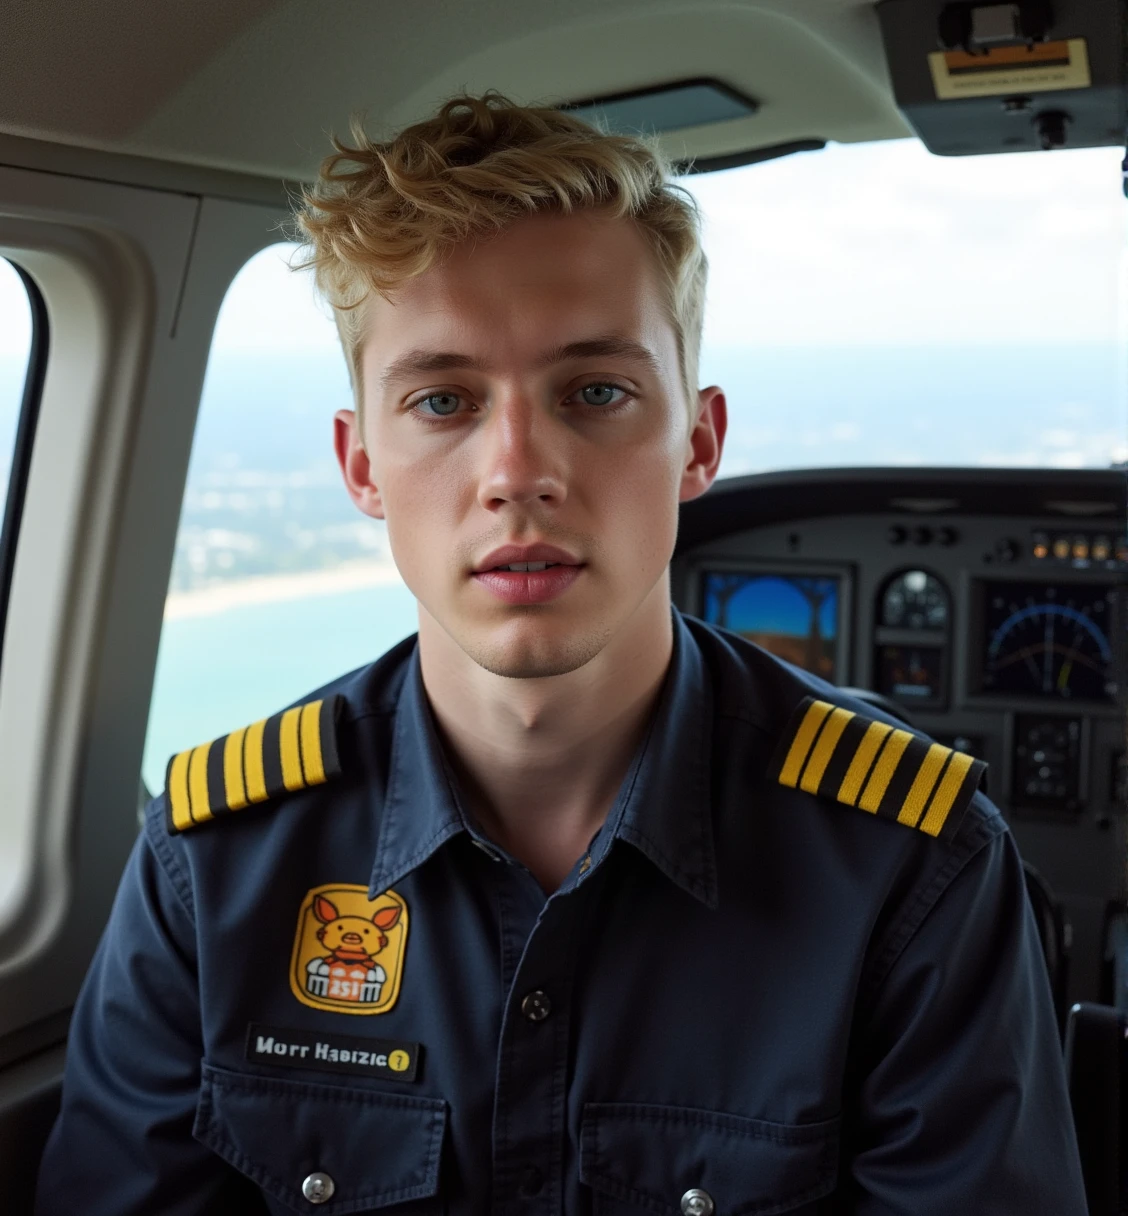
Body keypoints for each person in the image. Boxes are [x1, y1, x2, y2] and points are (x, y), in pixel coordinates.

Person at [35, 93, 1087, 1215]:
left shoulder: (909, 869)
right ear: (361, 467)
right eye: (442, 399)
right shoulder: (215, 866)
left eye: (595, 393)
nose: (517, 471)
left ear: (699, 439)